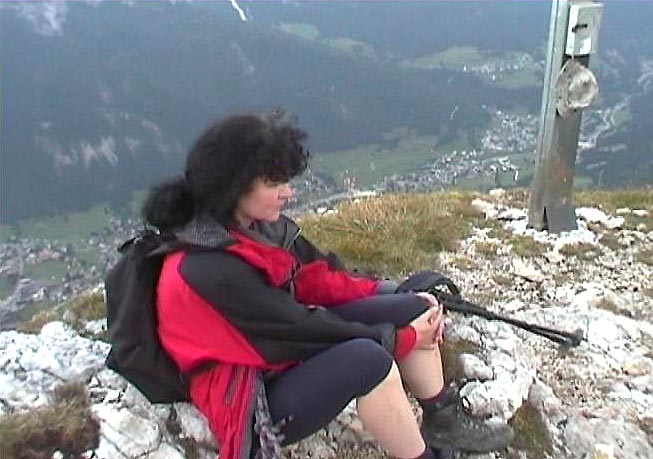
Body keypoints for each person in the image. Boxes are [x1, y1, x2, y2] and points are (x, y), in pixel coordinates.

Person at [142, 111, 513, 459]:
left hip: (275, 357)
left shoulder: (252, 227)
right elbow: (295, 330)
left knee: (413, 308)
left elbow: (314, 278)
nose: (288, 192)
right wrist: (403, 339)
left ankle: (444, 420)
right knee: (369, 360)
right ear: (233, 186)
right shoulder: (206, 267)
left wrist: (388, 292)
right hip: (249, 395)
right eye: (273, 183)